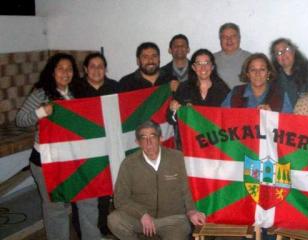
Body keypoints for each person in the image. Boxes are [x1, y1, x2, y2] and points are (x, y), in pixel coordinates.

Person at [16, 53, 101, 240]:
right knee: (56, 207)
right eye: (61, 69)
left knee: (88, 200)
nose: (65, 73)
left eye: (69, 69)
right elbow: (20, 120)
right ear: (52, 72)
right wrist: (41, 111)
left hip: (77, 158)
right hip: (48, 161)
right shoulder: (40, 93)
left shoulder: (78, 91)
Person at [107, 121, 206, 240]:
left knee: (179, 230)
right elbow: (120, 198)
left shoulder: (178, 158)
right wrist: (142, 214)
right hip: (141, 220)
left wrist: (191, 212)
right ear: (137, 142)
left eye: (153, 136)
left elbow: (187, 190)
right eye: (144, 138)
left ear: (161, 139)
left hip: (173, 221)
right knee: (114, 220)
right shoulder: (129, 164)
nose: (149, 142)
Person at [72, 52, 119, 238]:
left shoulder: (115, 87)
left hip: (108, 145)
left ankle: (102, 225)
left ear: (106, 69)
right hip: (83, 147)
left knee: (104, 188)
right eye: (92, 66)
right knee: (83, 190)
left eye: (101, 66)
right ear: (85, 69)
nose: (97, 70)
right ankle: (81, 228)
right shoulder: (75, 89)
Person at [169, 49, 230, 149]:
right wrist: (173, 110)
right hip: (189, 145)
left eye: (206, 63)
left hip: (216, 145)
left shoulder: (223, 90)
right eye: (198, 63)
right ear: (193, 67)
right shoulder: (183, 88)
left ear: (212, 66)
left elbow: (230, 120)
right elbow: (172, 120)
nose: (203, 67)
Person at [222, 53, 291, 112]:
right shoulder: (236, 93)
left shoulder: (280, 94)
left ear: (268, 73)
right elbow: (222, 119)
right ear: (248, 74)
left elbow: (288, 123)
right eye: (253, 70)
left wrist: (272, 115)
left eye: (262, 69)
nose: (257, 73)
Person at [270, 38, 308, 112]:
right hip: (279, 120)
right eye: (279, 53)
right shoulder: (272, 78)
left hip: (303, 117)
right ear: (275, 58)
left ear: (293, 51)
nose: (283, 54)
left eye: (286, 50)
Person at [214, 22, 251, 89]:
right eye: (225, 37)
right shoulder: (211, 59)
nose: (229, 40)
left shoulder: (251, 59)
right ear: (220, 39)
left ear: (239, 38)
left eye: (233, 36)